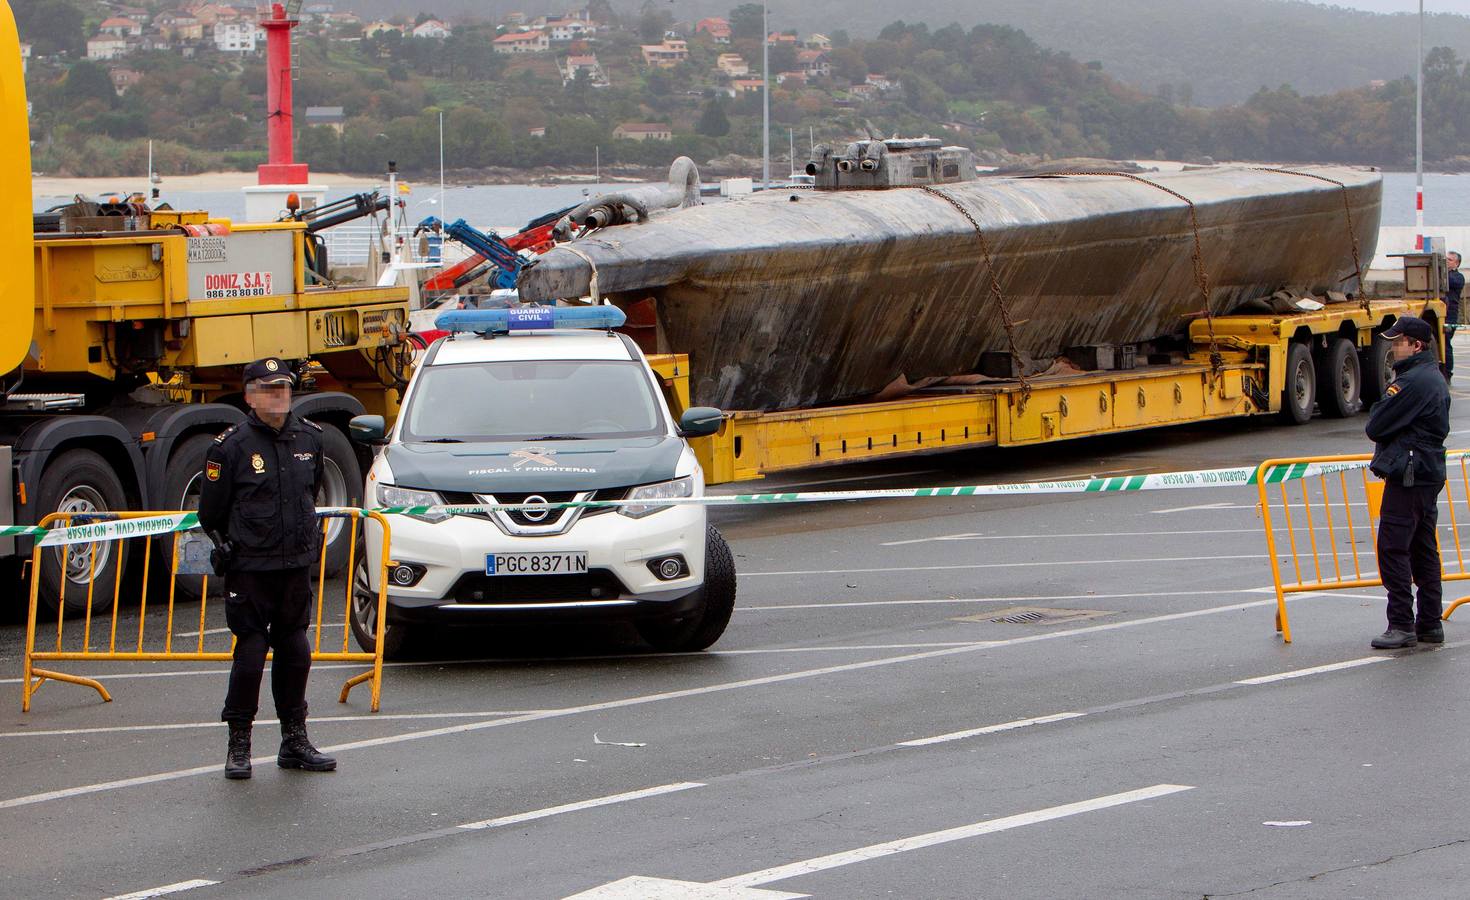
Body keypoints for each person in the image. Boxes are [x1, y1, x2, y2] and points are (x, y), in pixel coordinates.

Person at [198, 357, 338, 779]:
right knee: (252, 651)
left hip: (293, 564)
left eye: (283, 388)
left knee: (295, 651)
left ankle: (294, 740)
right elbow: (211, 512)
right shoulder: (229, 447)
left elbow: (308, 494)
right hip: (250, 566)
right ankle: (239, 744)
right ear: (249, 395)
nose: (278, 396)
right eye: (267, 389)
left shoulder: (310, 439)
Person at [1366, 316, 1451, 650]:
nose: (1393, 346)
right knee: (1422, 548)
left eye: (1398, 341)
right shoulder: (1431, 376)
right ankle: (1429, 622)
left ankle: (1401, 623)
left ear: (1417, 345)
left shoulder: (1413, 382)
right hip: (1426, 472)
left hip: (1411, 473)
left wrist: (1382, 409)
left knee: (1393, 546)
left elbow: (1377, 424)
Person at [1444, 251, 1462, 383]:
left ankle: (1448, 373)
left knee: (1446, 344)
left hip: (1450, 316)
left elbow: (1448, 281)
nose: (1446, 261)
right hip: (1441, 314)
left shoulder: (1458, 277)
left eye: (1449, 260)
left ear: (1456, 264)